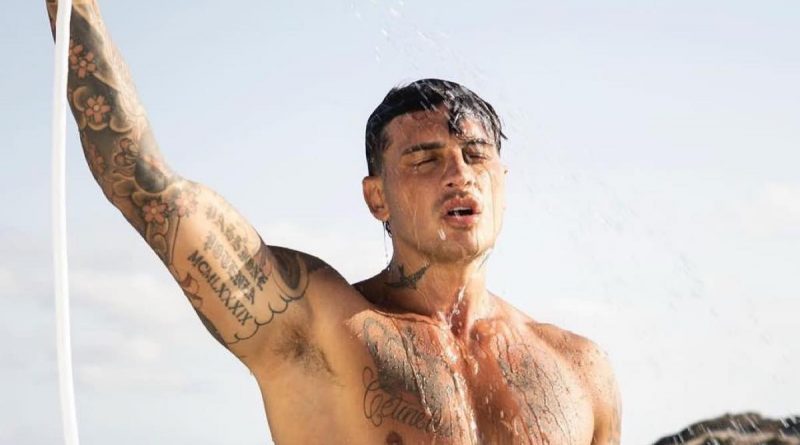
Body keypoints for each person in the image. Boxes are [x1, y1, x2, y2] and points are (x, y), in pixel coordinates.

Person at [46, 1, 621, 443]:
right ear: (377, 198)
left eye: (476, 156)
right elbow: (143, 183)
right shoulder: (319, 326)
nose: (459, 175)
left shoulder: (579, 369)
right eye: (424, 160)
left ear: (503, 182)